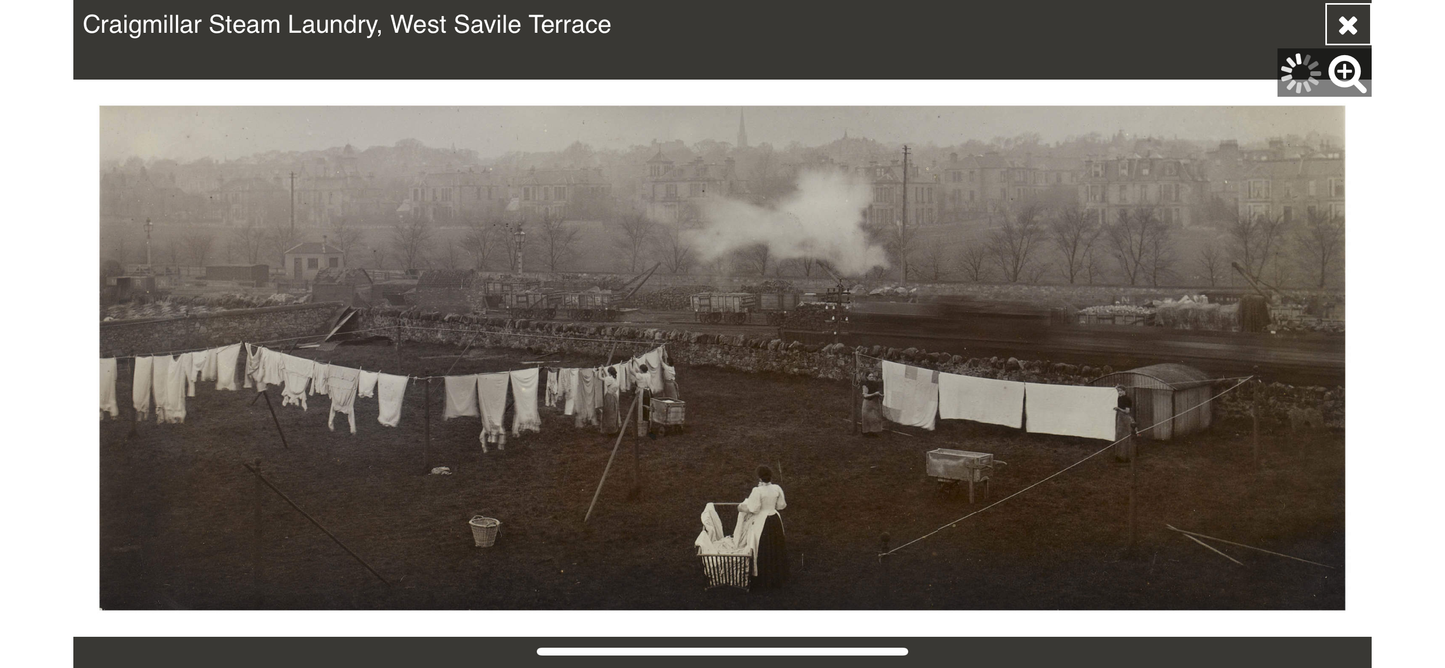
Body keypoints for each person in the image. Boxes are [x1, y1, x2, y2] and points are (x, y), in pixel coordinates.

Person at [737, 465, 789, 589]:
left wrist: (741, 507)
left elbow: (754, 509)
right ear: (770, 476)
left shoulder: (757, 490)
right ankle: (778, 576)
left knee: (762, 547)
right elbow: (781, 505)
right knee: (776, 546)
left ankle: (763, 578)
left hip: (762, 521)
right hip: (775, 519)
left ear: (759, 478)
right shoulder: (777, 488)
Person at [860, 372, 884, 436]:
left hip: (875, 402)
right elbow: (865, 395)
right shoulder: (865, 385)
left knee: (875, 417)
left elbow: (877, 392)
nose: (871, 377)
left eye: (872, 376)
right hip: (868, 402)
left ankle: (873, 431)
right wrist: (874, 394)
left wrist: (880, 395)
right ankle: (866, 432)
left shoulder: (875, 384)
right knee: (867, 417)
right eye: (870, 376)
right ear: (867, 377)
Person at [599, 366, 621, 436]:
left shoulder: (609, 379)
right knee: (613, 412)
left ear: (609, 372)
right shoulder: (614, 379)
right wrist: (604, 369)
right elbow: (607, 377)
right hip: (614, 397)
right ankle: (613, 427)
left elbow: (600, 378)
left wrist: (600, 370)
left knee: (608, 412)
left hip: (609, 397)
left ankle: (608, 429)